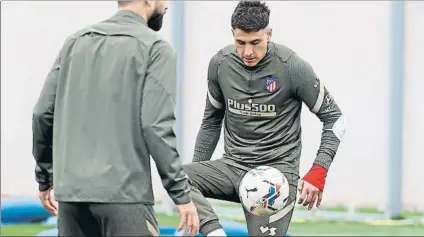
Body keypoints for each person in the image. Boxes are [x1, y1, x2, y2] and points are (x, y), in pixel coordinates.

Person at [32, 1, 199, 236]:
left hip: (72, 200)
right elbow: (155, 126)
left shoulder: (74, 43)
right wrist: (181, 194)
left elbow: (42, 113)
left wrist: (44, 176)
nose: (167, 5)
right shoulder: (156, 48)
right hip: (125, 198)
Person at [182, 1, 347, 236]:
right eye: (240, 43)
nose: (247, 52)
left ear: (268, 35)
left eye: (255, 43)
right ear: (232, 36)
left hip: (275, 177)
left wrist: (318, 171)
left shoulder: (292, 66)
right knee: (178, 177)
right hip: (232, 168)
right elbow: (210, 122)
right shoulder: (220, 64)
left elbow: (335, 118)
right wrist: (196, 181)